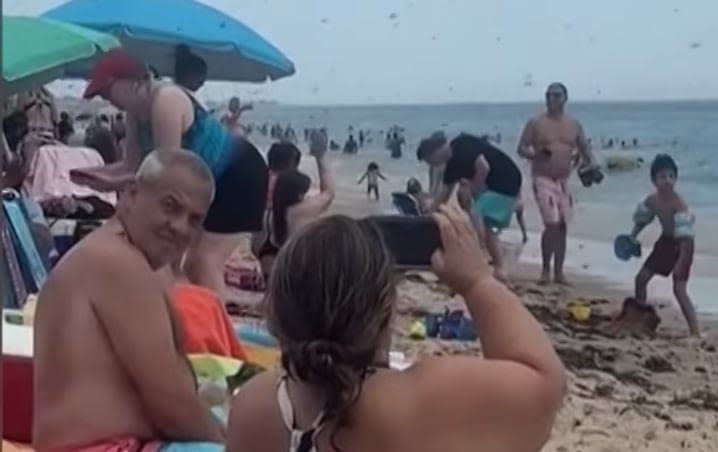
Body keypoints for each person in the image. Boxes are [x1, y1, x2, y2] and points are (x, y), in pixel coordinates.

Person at [226, 206, 566, 452]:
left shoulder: (254, 406)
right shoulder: (421, 401)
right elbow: (544, 384)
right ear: (386, 309)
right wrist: (477, 282)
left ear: (277, 316)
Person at [33, 150, 225, 452]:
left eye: (194, 220)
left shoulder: (133, 258)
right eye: (170, 206)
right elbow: (171, 406)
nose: (180, 227)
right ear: (132, 194)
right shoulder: (116, 262)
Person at [70, 49, 267, 297]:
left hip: (238, 175)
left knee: (204, 261)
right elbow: (131, 166)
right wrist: (95, 174)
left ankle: (213, 330)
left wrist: (113, 183)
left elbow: (167, 174)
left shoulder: (166, 100)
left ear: (134, 81)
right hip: (204, 182)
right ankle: (185, 314)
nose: (108, 100)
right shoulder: (135, 113)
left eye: (108, 91)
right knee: (178, 261)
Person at [517, 82, 599, 285]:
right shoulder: (536, 123)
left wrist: (592, 164)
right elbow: (521, 148)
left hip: (564, 180)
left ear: (565, 98)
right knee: (551, 223)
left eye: (556, 95)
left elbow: (584, 148)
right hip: (542, 177)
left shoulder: (574, 124)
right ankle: (545, 270)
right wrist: (535, 154)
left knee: (562, 226)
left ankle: (559, 272)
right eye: (548, 95)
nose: (551, 99)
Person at [417, 132, 522, 281]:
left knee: (475, 212)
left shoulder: (461, 145)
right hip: (493, 186)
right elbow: (445, 193)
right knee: (488, 229)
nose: (432, 165)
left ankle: (480, 250)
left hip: (506, 180)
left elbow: (483, 166)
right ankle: (499, 268)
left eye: (430, 161)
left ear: (436, 150)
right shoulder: (451, 167)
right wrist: (430, 214)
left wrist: (475, 188)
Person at [627, 154, 700, 337]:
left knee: (679, 289)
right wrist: (632, 237)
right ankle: (640, 319)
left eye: (671, 176)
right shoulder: (652, 201)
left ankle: (695, 332)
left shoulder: (679, 204)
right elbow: (643, 220)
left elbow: (685, 238)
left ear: (675, 178)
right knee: (641, 279)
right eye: (662, 177)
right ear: (654, 180)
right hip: (665, 243)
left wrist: (682, 263)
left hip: (684, 245)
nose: (667, 181)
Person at [255, 129, 333, 277]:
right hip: (293, 271)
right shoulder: (298, 212)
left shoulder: (258, 196)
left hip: (265, 254)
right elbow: (328, 194)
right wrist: (320, 157)